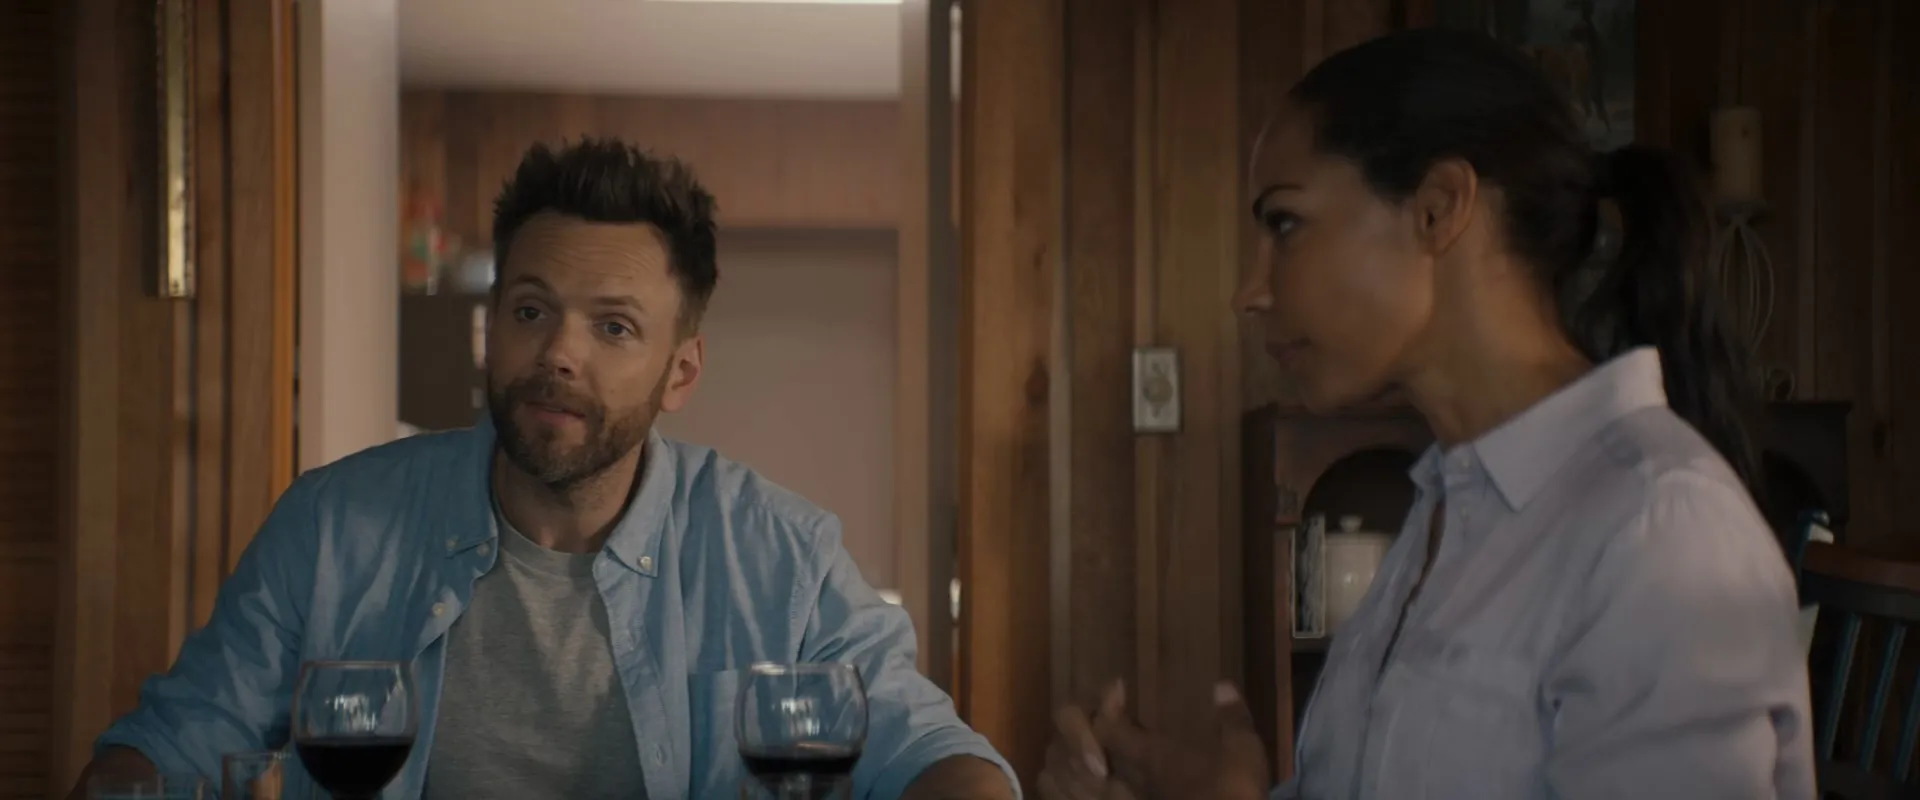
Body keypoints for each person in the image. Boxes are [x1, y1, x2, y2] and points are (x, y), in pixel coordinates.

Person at [68, 138, 1017, 800]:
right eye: (530, 311)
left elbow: (937, 757)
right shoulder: (332, 527)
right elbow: (165, 751)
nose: (558, 353)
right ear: (492, 329)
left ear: (681, 372)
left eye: (614, 327)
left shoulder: (783, 555)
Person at [1039, 28, 1814, 800]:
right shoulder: (1446, 511)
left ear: (1439, 209)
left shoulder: (1659, 530)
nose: (1251, 291)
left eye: (1285, 224)